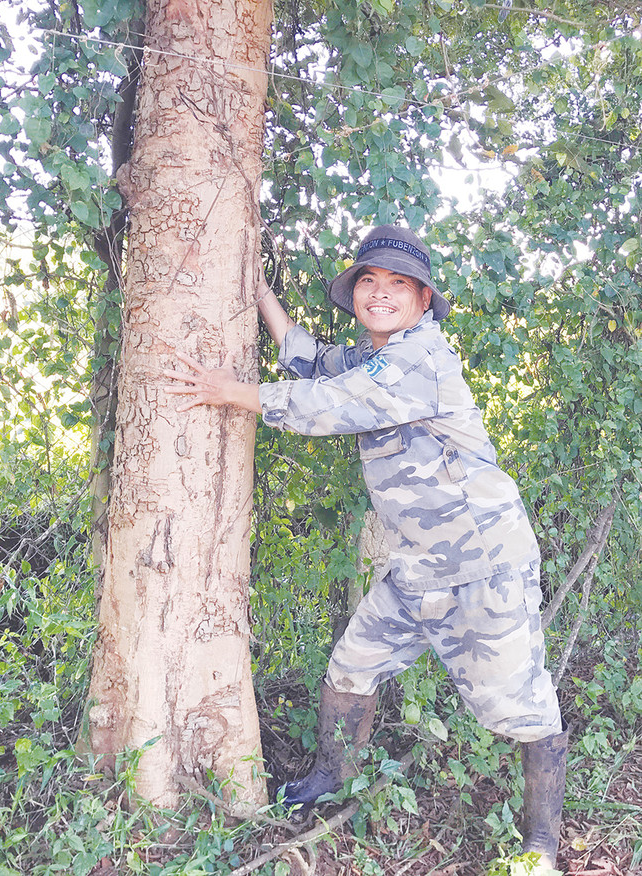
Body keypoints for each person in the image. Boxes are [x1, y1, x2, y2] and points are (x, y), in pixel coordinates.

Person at [164, 225, 569, 871]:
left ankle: (541, 845)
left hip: (481, 565)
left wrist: (227, 391)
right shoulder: (375, 357)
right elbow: (310, 362)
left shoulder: (420, 359)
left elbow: (324, 406)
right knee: (351, 668)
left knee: (518, 705)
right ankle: (331, 777)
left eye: (397, 284)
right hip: (417, 565)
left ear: (423, 299)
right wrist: (260, 292)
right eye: (369, 282)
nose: (379, 293)